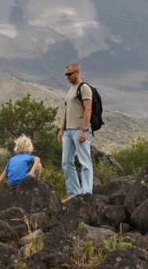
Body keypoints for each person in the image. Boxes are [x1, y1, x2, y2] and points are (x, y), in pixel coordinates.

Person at [57, 62, 93, 200]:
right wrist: (62, 129)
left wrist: (84, 130)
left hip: (80, 130)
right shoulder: (70, 89)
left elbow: (88, 109)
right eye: (66, 74)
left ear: (77, 72)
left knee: (84, 161)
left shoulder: (84, 88)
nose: (67, 77)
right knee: (66, 162)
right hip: (69, 131)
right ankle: (74, 194)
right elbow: (67, 110)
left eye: (69, 74)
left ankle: (87, 193)